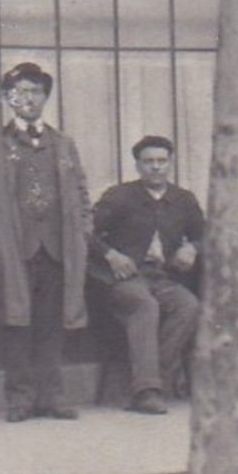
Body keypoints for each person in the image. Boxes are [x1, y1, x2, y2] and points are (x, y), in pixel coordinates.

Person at [0, 62, 93, 423]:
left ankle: (52, 397)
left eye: (35, 91)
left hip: (57, 250)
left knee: (52, 324)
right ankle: (20, 399)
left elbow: (82, 193)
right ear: (8, 98)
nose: (28, 98)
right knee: (15, 323)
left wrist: (81, 231)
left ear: (45, 97)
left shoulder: (64, 144)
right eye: (20, 91)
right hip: (14, 251)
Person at [90, 135, 204, 416]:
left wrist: (192, 247)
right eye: (149, 162)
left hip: (163, 278)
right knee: (144, 305)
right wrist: (111, 255)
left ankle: (144, 382)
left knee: (189, 306)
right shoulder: (119, 196)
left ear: (170, 164)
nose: (156, 167)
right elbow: (85, 232)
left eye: (161, 161)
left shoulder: (183, 199)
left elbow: (205, 234)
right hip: (124, 279)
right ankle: (147, 392)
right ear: (138, 166)